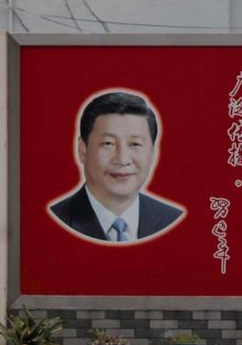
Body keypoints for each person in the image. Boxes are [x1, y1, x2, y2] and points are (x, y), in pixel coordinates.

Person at [49, 91, 183, 243]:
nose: (122, 159)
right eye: (108, 143)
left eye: (135, 144)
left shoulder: (174, 221)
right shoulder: (52, 222)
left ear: (152, 152)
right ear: (82, 149)